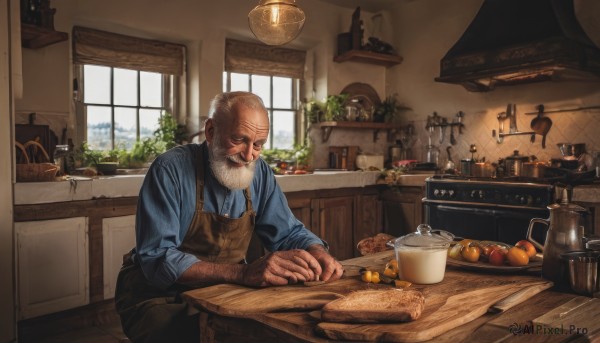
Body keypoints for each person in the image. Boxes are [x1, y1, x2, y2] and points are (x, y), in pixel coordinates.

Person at [115, 91, 344, 343]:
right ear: (211, 130)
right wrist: (243, 274)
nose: (248, 156)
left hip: (223, 291)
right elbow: (158, 258)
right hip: (158, 294)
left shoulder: (261, 173)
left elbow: (288, 233)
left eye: (258, 144)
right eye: (239, 140)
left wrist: (318, 252)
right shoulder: (170, 169)